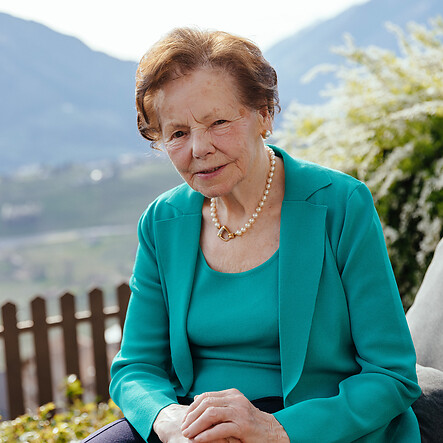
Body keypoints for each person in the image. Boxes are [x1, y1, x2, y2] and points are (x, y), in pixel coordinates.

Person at [84, 28, 421, 442]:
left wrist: (275, 429)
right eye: (178, 133)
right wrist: (171, 422)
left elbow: (392, 375)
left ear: (264, 114)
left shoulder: (341, 204)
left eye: (218, 122)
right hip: (193, 424)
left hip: (309, 426)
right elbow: (136, 368)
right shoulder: (161, 221)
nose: (199, 148)